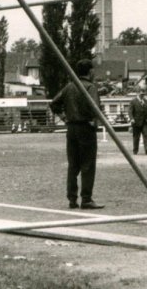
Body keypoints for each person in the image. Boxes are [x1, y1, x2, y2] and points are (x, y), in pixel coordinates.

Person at [50, 59, 105, 210]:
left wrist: (64, 117)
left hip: (71, 129)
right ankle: (86, 199)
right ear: (90, 71)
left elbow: (54, 103)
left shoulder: (69, 86)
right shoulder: (90, 87)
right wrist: (94, 120)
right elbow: (95, 108)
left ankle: (72, 199)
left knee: (73, 165)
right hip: (86, 128)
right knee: (87, 165)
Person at [128, 89, 147, 155]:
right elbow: (130, 111)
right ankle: (135, 150)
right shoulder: (133, 101)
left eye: (143, 94)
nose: (142, 95)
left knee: (146, 135)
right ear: (137, 93)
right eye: (141, 94)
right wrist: (132, 119)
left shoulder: (145, 101)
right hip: (136, 122)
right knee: (136, 137)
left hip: (144, 122)